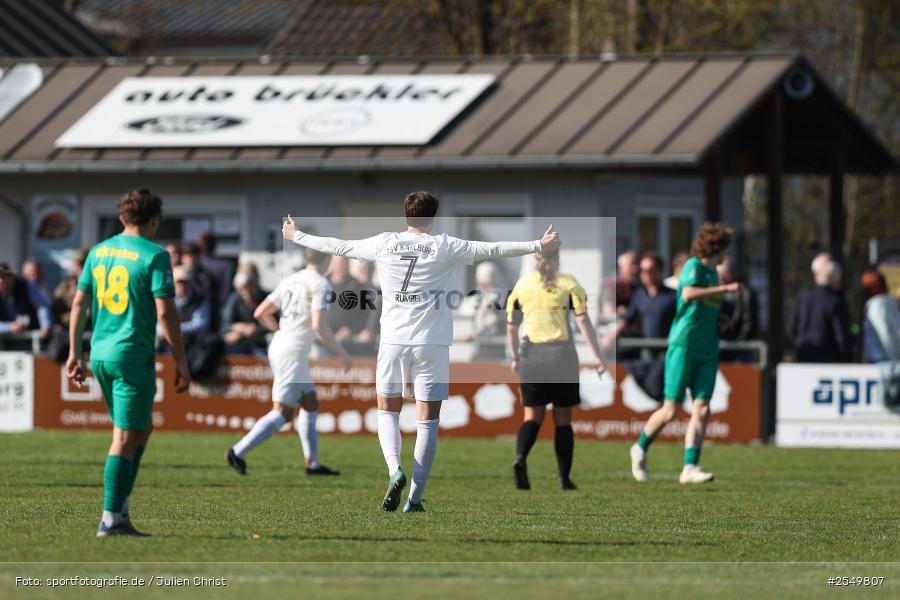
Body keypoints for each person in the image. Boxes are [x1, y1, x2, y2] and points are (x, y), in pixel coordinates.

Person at [282, 191, 560, 513]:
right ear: (433, 217)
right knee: (428, 420)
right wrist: (539, 245)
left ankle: (393, 470)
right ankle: (414, 499)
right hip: (432, 343)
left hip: (392, 342)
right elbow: (494, 249)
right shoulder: (446, 245)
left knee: (388, 410)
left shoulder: (385, 242)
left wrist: (296, 235)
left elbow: (338, 246)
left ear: (406, 215)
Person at [66, 189, 190, 537]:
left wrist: (74, 352)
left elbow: (79, 304)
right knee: (125, 435)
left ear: (122, 219)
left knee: (140, 430)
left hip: (101, 354)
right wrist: (181, 360)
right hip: (131, 356)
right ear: (155, 220)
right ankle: (110, 519)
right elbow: (165, 312)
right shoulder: (155, 255)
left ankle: (119, 513)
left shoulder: (98, 252)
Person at [629, 222, 740, 485]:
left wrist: (720, 318)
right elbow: (689, 294)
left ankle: (690, 467)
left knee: (702, 408)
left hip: (708, 347)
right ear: (715, 247)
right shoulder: (694, 267)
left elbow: (703, 307)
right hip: (684, 345)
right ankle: (640, 447)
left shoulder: (713, 274)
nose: (726, 254)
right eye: (724, 248)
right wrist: (724, 290)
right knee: (671, 410)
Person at [226, 248, 351, 476]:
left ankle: (312, 464)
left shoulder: (292, 279)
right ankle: (238, 451)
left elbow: (261, 313)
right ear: (327, 259)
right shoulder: (320, 284)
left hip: (282, 346)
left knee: (310, 402)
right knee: (283, 412)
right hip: (292, 352)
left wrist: (281, 330)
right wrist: (341, 353)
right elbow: (318, 327)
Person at [507, 250, 606, 491]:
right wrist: (597, 356)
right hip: (561, 355)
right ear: (557, 260)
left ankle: (521, 458)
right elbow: (582, 321)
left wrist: (515, 357)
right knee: (563, 420)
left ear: (536, 261)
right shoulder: (569, 283)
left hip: (531, 355)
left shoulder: (522, 284)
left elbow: (511, 327)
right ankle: (564, 478)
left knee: (532, 417)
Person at [602, 252, 676, 400]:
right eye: (643, 270)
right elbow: (627, 318)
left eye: (651, 270)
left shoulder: (673, 296)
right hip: (646, 354)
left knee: (657, 389)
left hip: (667, 353)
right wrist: (611, 336)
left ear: (660, 270)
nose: (646, 274)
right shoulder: (639, 294)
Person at [789, 253, 852, 363]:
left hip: (803, 355)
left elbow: (791, 328)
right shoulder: (835, 300)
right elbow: (841, 336)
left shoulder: (803, 297)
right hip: (827, 361)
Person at [860, 270, 900, 406]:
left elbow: (885, 336)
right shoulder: (891, 305)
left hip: (881, 362)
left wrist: (893, 360)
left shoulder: (877, 307)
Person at [460, 261, 507, 359]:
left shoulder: (496, 296)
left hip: (492, 346)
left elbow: (494, 320)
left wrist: (476, 333)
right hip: (484, 344)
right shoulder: (488, 294)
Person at [221, 265, 269, 357]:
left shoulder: (267, 299)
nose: (248, 289)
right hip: (239, 346)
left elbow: (277, 325)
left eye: (251, 285)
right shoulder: (234, 299)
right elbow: (224, 327)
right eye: (245, 286)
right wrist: (238, 327)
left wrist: (255, 329)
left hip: (262, 345)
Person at [717, 256, 759, 362]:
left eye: (721, 274)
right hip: (721, 348)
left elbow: (749, 322)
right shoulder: (717, 293)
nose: (720, 278)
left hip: (741, 350)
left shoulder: (745, 293)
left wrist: (737, 345)